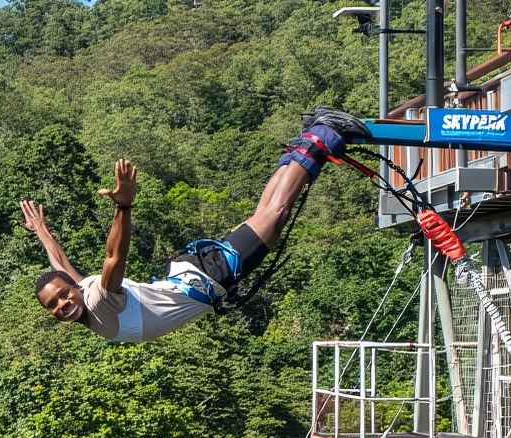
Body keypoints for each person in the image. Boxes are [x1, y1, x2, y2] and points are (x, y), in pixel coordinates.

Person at [22, 108, 370, 342]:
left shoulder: (98, 302)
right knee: (264, 219)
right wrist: (42, 231)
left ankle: (322, 133)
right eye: (54, 305)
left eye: (62, 295)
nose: (62, 304)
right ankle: (308, 139)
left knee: (273, 218)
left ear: (73, 289)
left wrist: (124, 207)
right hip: (193, 272)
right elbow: (60, 265)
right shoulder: (83, 291)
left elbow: (114, 258)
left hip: (207, 278)